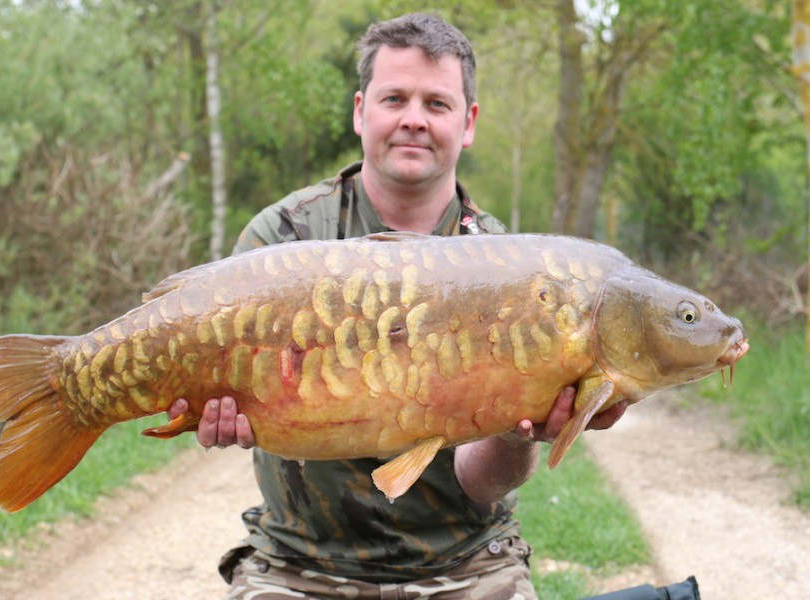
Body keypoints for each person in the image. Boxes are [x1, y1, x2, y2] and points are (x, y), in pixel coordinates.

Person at [168, 13, 626, 599]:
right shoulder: (282, 238)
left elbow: (480, 484)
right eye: (395, 98)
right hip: (296, 563)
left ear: (469, 123)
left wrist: (519, 431)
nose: (414, 118)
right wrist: (215, 411)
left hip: (467, 565)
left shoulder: (518, 270)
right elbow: (229, 401)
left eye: (437, 103)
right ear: (362, 111)